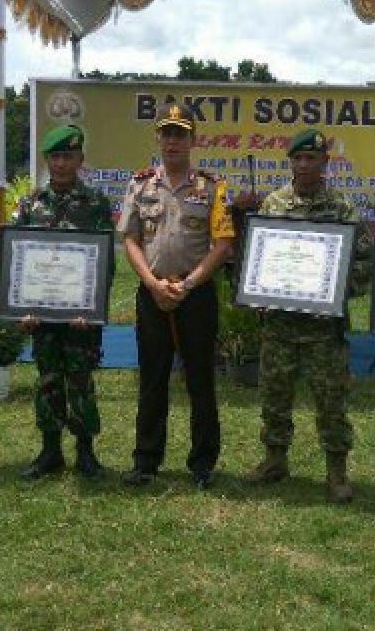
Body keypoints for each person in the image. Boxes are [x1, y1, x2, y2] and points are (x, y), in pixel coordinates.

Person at [244, 129, 372, 502]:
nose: (304, 165)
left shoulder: (342, 210)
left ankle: (336, 470)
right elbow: (257, 258)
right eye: (298, 159)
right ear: (291, 163)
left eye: (312, 158)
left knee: (331, 400)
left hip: (323, 329)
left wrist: (336, 291)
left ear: (324, 163)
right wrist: (258, 291)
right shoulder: (273, 205)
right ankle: (275, 459)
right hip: (280, 326)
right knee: (274, 396)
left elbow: (363, 263)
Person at [118, 104, 234, 488]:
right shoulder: (140, 185)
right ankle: (146, 460)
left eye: (179, 134)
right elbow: (131, 238)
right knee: (152, 378)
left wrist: (187, 285)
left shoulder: (211, 188)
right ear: (158, 139)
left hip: (195, 294)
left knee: (200, 379)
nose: (172, 141)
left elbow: (221, 245)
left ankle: (202, 463)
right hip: (152, 292)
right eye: (166, 133)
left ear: (192, 140)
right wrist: (152, 283)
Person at [12, 124, 114, 480]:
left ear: (80, 159)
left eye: (68, 156)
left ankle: (86, 452)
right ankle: (50, 451)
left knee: (81, 381)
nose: (61, 163)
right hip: (40, 313)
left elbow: (105, 263)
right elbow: (16, 261)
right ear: (46, 160)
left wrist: (94, 308)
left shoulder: (96, 204)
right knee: (48, 380)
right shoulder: (29, 204)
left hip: (79, 314)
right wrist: (19, 309)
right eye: (55, 156)